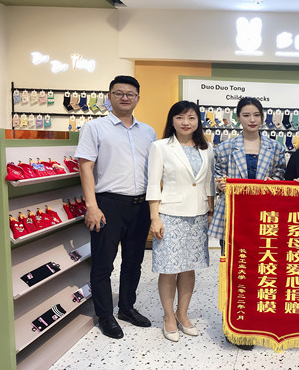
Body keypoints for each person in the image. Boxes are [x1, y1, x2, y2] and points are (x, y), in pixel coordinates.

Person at [75, 75, 157, 339]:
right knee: (103, 263)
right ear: (109, 96)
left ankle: (126, 308)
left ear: (137, 98)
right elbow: (85, 167)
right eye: (119, 93)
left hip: (140, 205)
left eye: (130, 94)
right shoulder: (94, 128)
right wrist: (91, 205)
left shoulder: (148, 132)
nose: (125, 97)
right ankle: (105, 315)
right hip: (107, 204)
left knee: (134, 262)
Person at [207, 97, 287, 350]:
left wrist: (271, 183)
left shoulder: (276, 147)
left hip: (264, 219)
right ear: (238, 118)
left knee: (261, 271)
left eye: (256, 115)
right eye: (246, 115)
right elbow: (217, 176)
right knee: (234, 271)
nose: (252, 120)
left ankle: (256, 321)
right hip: (233, 217)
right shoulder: (224, 147)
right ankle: (234, 326)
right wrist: (221, 183)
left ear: (262, 117)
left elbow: (280, 176)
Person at [146, 101, 215, 342]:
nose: (186, 122)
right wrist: (154, 217)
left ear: (198, 122)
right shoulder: (160, 147)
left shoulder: (207, 148)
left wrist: (210, 211)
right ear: (172, 121)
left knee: (188, 268)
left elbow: (208, 183)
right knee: (169, 268)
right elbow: (153, 184)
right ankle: (168, 317)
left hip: (197, 215)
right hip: (170, 215)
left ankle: (182, 314)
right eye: (180, 117)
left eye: (191, 118)